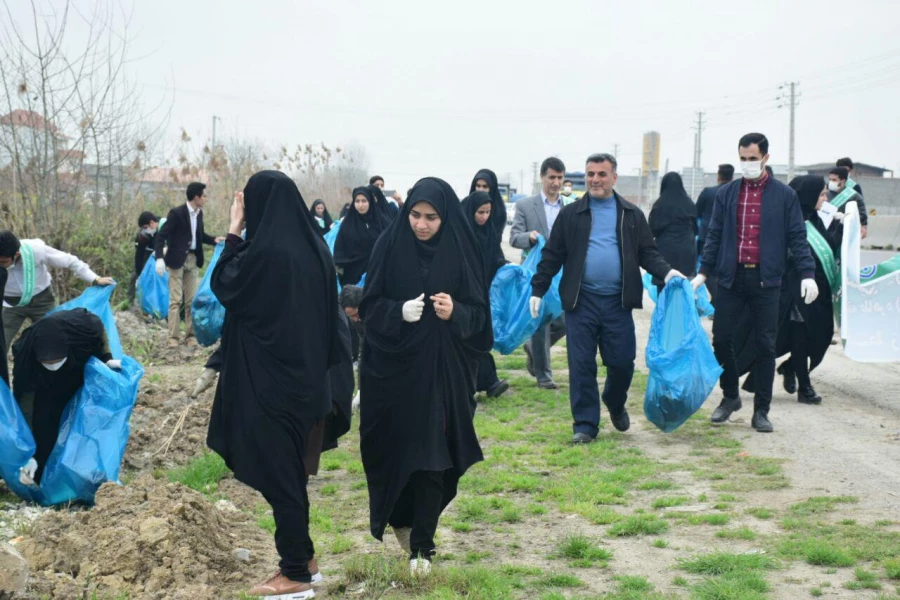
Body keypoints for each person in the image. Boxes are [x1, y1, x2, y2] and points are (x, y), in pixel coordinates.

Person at [208, 171, 342, 599]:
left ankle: (294, 575)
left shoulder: (270, 255)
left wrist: (233, 228)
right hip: (306, 382)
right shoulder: (313, 247)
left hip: (271, 385)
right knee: (289, 475)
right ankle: (306, 562)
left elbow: (224, 282)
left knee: (281, 477)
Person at [359, 177, 490, 576]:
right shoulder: (389, 244)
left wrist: (457, 313)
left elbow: (480, 319)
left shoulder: (462, 249)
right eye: (415, 215)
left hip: (443, 372)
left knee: (435, 455)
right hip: (393, 373)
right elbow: (368, 306)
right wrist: (398, 311)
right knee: (398, 450)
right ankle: (402, 519)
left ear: (445, 216)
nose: (421, 224)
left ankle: (422, 547)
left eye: (431, 217)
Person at [530, 153, 683, 444]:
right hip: (581, 302)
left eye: (601, 174)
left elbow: (647, 253)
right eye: (590, 174)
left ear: (614, 177)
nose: (595, 180)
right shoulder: (571, 214)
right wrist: (538, 289)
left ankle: (614, 400)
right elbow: (553, 255)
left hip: (617, 303)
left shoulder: (631, 214)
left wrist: (667, 272)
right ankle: (586, 425)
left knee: (623, 361)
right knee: (581, 363)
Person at [692, 133, 818, 433]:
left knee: (765, 344)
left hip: (767, 280)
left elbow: (798, 238)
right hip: (731, 278)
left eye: (753, 158)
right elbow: (714, 234)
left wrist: (807, 273)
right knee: (721, 339)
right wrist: (703, 272)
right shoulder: (727, 193)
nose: (747, 164)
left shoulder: (784, 196)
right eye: (743, 159)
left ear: (765, 158)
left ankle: (761, 410)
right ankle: (730, 395)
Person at [737, 175, 837, 406]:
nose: (825, 198)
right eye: (822, 194)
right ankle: (804, 386)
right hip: (790, 292)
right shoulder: (784, 220)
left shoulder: (814, 220)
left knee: (817, 337)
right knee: (800, 335)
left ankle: (790, 368)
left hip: (816, 293)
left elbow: (829, 248)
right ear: (809, 195)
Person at [12, 308, 119, 484]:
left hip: (75, 372)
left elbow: (100, 332)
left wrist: (106, 358)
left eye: (57, 361)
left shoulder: (83, 329)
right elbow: (24, 399)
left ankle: (83, 475)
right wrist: (29, 453)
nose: (53, 366)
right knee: (44, 422)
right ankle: (41, 475)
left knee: (80, 424)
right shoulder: (26, 353)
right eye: (48, 363)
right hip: (44, 387)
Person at [0, 231, 114, 353]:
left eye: (3, 262)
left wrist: (95, 279)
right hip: (11, 305)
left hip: (42, 301)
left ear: (16, 254)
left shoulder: (36, 251)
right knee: (1, 342)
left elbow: (71, 261)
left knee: (52, 340)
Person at [509, 157, 568, 389]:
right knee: (541, 320)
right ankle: (544, 375)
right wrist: (530, 237)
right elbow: (514, 237)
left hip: (563, 273)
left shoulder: (570, 206)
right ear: (542, 177)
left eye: (560, 178)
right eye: (551, 177)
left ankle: (533, 348)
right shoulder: (526, 205)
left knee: (564, 320)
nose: (556, 182)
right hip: (536, 271)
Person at [154, 182, 224, 348]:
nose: (206, 199)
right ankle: (173, 338)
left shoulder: (199, 214)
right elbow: (160, 236)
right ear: (196, 197)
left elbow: (199, 236)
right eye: (204, 196)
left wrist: (214, 239)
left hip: (193, 260)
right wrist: (159, 258)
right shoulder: (176, 213)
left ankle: (190, 336)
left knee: (191, 300)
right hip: (176, 261)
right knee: (175, 300)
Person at [461, 191, 509, 399]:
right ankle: (487, 382)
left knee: (479, 337)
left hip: (483, 293)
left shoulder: (489, 232)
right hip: (463, 294)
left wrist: (507, 268)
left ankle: (486, 382)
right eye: (480, 212)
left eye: (488, 212)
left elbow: (496, 257)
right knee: (469, 338)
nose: (484, 217)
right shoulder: (462, 232)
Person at [649, 172, 698, 295]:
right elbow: (696, 229)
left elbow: (651, 230)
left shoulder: (659, 205)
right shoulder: (689, 203)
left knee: (664, 287)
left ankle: (665, 313)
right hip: (687, 251)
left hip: (665, 251)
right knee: (686, 287)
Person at [333, 187, 385, 287]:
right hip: (353, 275)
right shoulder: (347, 224)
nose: (360, 205)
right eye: (357, 201)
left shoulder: (381, 222)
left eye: (364, 201)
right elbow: (339, 251)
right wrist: (340, 270)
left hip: (377, 272)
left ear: (370, 201)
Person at [128, 212, 160, 304]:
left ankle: (153, 302)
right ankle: (130, 300)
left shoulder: (162, 227)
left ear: (152, 223)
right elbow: (139, 253)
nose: (145, 230)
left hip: (159, 254)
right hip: (145, 253)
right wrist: (138, 271)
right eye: (143, 228)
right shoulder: (142, 235)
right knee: (134, 275)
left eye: (146, 227)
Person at [827, 166, 867, 239]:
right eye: (830, 179)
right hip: (827, 233)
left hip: (845, 235)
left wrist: (845, 218)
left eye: (834, 180)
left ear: (843, 181)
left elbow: (862, 216)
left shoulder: (854, 196)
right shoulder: (825, 194)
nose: (831, 182)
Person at [468, 169, 508, 237]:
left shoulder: (499, 211)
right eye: (478, 186)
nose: (481, 190)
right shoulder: (466, 208)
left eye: (485, 186)